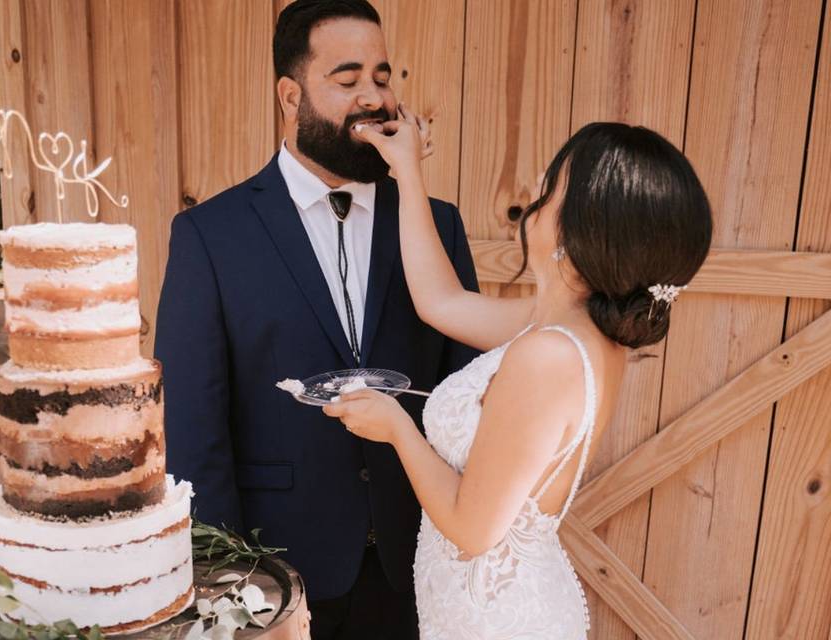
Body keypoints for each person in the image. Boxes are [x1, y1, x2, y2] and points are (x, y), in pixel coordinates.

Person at [153, 2, 478, 637]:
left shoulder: (437, 224)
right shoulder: (208, 236)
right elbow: (193, 431)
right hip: (275, 573)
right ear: (290, 94)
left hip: (417, 565)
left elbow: (466, 387)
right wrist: (233, 588)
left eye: (382, 77)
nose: (373, 98)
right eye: (348, 78)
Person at [326, 113, 713, 638]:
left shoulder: (548, 356)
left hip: (495, 621)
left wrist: (396, 427)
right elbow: (440, 301)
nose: (535, 193)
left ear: (580, 231)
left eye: (552, 189)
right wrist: (408, 173)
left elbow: (472, 529)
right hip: (489, 603)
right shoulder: (573, 329)